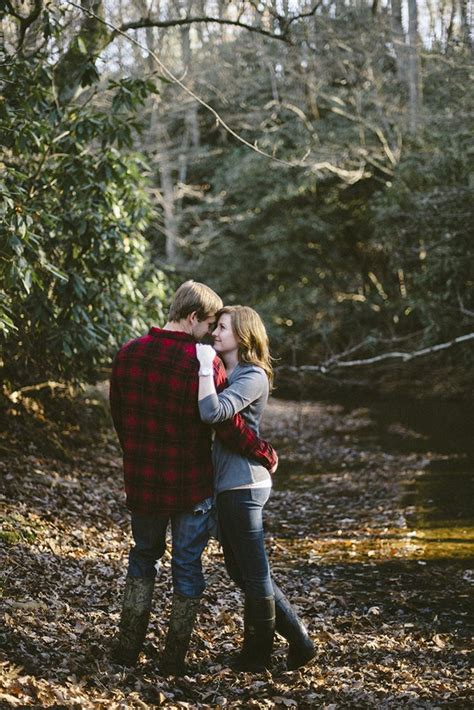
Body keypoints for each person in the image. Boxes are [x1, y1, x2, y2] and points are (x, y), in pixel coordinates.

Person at [109, 282, 277, 674]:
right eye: (209, 324)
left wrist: (134, 456)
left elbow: (119, 417)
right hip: (190, 485)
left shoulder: (128, 353)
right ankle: (173, 659)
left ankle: (127, 649)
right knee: (186, 566)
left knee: (142, 558)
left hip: (144, 480)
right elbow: (226, 425)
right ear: (192, 318)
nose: (211, 334)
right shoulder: (202, 362)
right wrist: (263, 451)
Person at [196, 306, 315, 672]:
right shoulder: (224, 371)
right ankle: (297, 641)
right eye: (214, 327)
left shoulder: (253, 375)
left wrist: (201, 367)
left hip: (244, 483)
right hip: (225, 483)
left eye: (223, 328)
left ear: (243, 334)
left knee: (254, 572)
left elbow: (213, 413)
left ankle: (258, 654)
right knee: (240, 569)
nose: (215, 333)